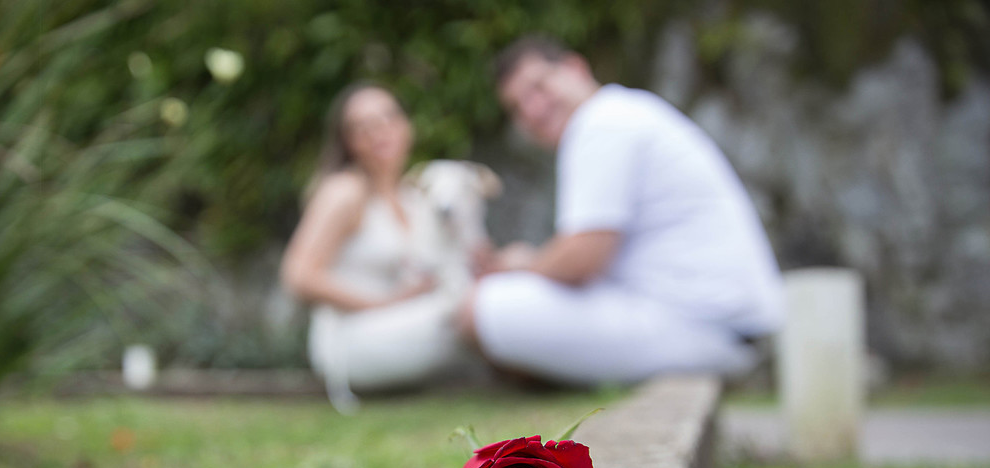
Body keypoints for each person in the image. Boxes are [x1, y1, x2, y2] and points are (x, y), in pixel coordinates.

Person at [462, 36, 784, 384]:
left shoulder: (602, 122)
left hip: (699, 328)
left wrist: (523, 266)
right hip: (717, 328)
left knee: (477, 307)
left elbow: (583, 258)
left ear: (575, 67)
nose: (532, 109)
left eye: (538, 86)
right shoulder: (625, 112)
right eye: (517, 106)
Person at [280, 83, 471, 412]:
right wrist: (382, 303)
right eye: (362, 126)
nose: (379, 131)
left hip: (398, 323)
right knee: (470, 306)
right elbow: (298, 276)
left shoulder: (412, 198)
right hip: (350, 339)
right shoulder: (345, 191)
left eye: (388, 117)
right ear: (348, 141)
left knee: (472, 296)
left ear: (407, 125)